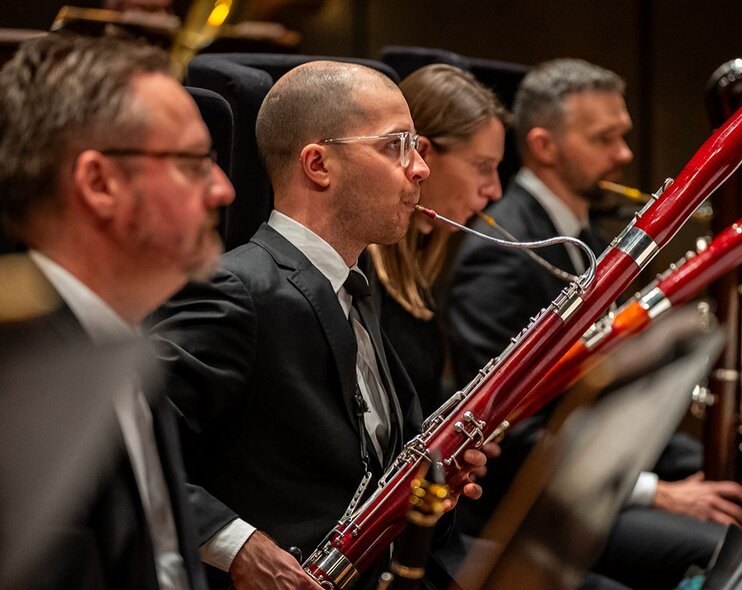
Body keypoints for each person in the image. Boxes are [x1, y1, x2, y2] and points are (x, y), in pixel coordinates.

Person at [149, 60, 491, 590]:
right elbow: (126, 452)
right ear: (318, 164)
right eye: (396, 146)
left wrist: (431, 486)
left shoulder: (355, 286)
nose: (420, 168)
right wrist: (237, 547)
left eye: (417, 146)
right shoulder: (235, 289)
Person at [446, 57, 742, 589]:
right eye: (604, 139)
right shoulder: (502, 252)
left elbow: (611, 398)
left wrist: (717, 467)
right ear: (544, 147)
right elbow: (510, 433)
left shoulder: (591, 234)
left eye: (623, 136)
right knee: (725, 550)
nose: (625, 155)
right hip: (518, 507)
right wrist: (660, 492)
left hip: (590, 482)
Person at [0, 33, 234, 588]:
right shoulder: (22, 380)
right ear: (99, 183)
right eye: (194, 162)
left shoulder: (119, 337)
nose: (222, 189)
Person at [367, 63, 507, 416]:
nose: (495, 190)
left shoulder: (427, 259)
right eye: (482, 166)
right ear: (423, 154)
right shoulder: (361, 274)